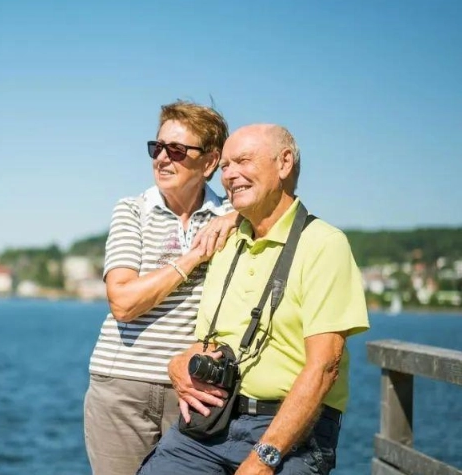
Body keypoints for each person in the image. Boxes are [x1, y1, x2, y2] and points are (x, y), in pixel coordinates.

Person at [137, 124, 370, 475]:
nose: (229, 175)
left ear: (284, 163)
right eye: (226, 166)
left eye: (243, 161)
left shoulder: (324, 244)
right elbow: (208, 340)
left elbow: (324, 368)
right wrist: (179, 363)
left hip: (291, 433)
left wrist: (263, 460)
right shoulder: (226, 241)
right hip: (211, 422)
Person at [84, 100, 240, 475]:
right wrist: (191, 259)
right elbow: (122, 302)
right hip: (120, 389)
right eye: (157, 148)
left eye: (176, 150)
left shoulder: (233, 219)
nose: (162, 159)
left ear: (209, 162)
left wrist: (237, 215)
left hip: (195, 390)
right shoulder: (131, 210)